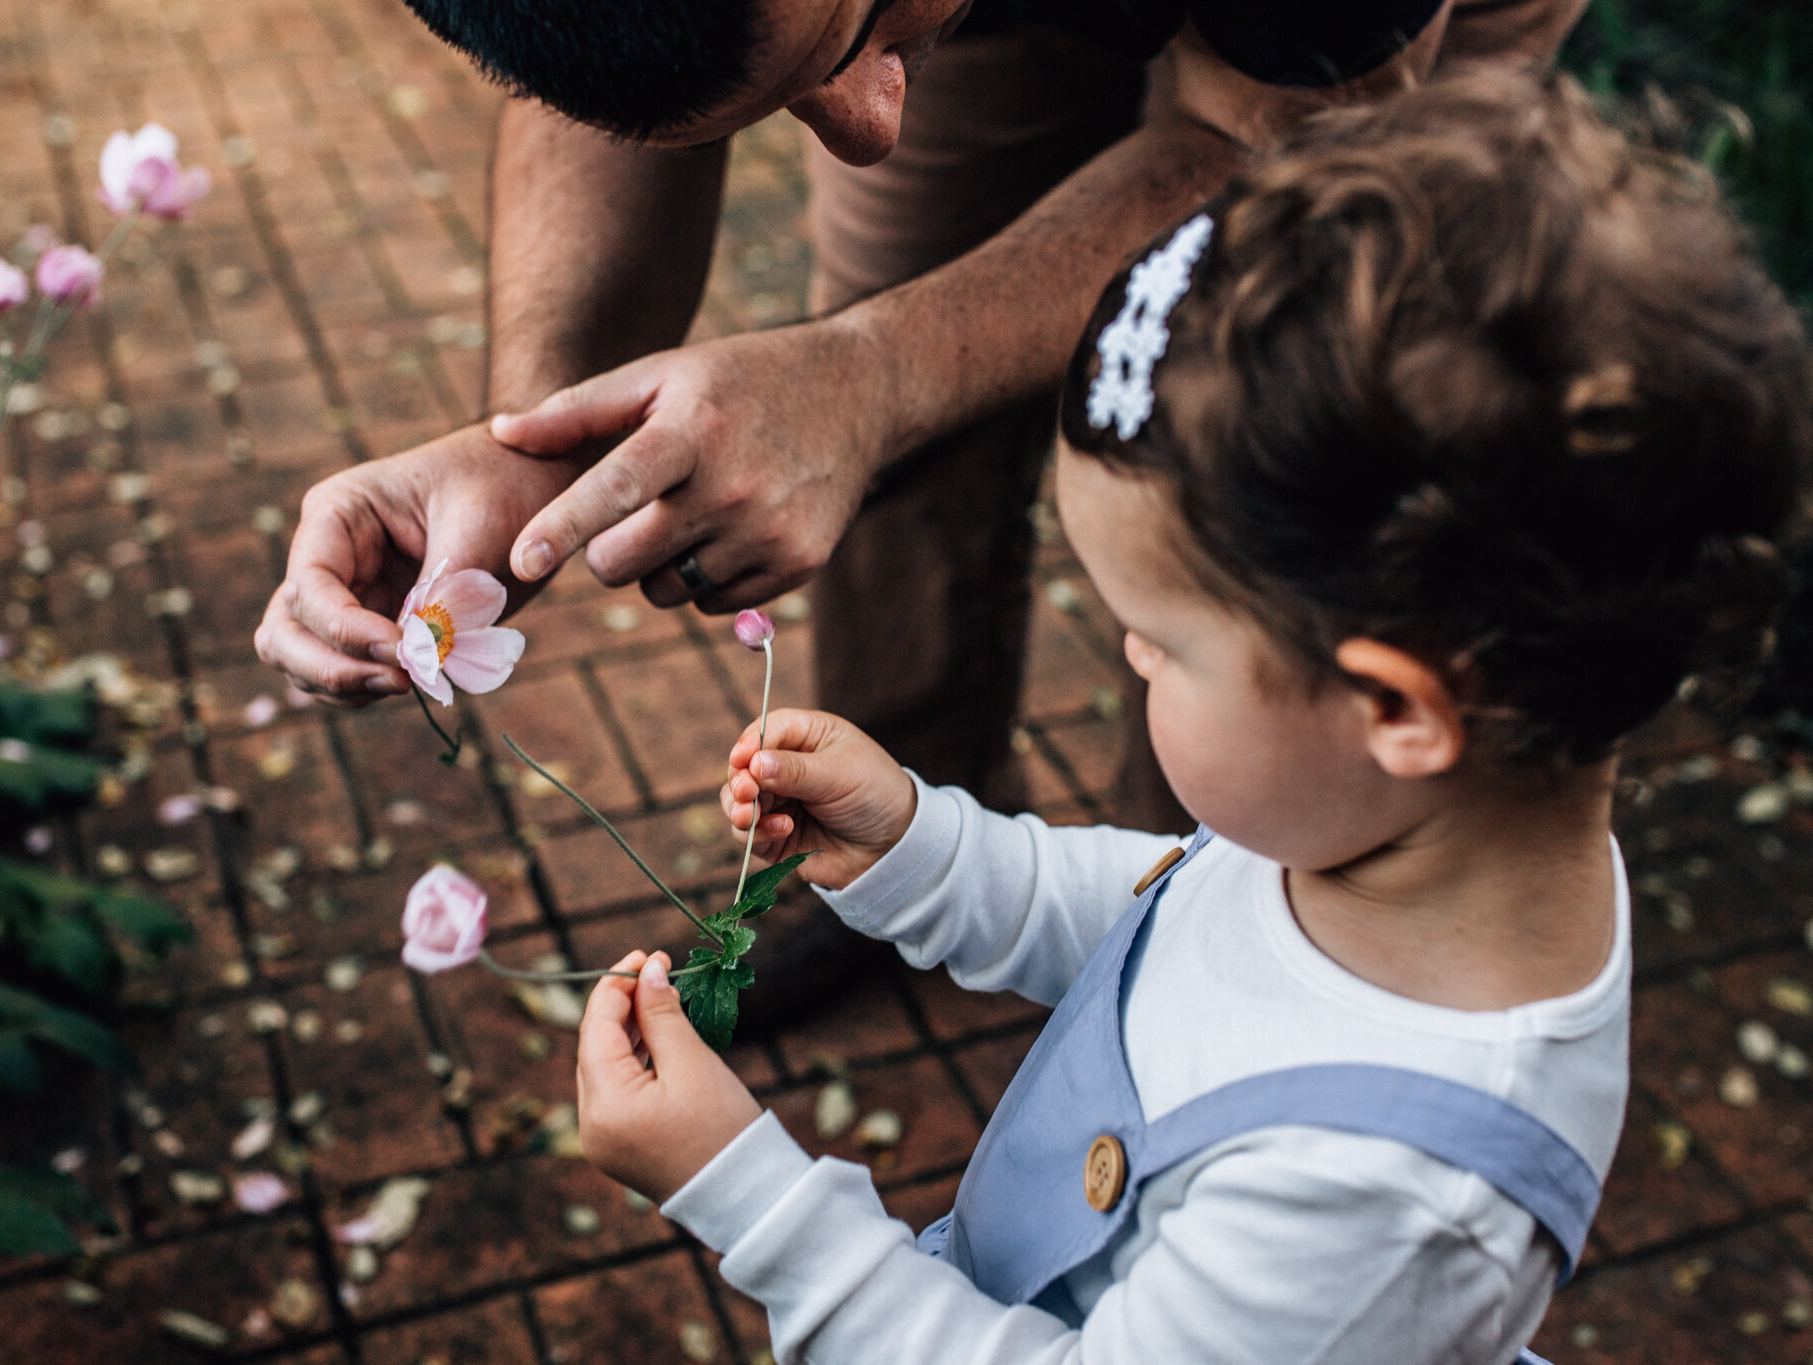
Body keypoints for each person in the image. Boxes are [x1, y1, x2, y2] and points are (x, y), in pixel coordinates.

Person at [567, 70, 1812, 1363]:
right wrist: (921, 849)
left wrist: (749, 1192)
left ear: (1392, 705)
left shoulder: (1384, 1205)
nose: (1125, 652)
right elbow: (1169, 930)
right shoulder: (1407, 833)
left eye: (1160, 643)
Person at [257, 0, 1589, 832]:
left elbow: (1268, 161)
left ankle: (1181, 919)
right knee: (857, 414)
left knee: (1234, 440)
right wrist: (530, 441)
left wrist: (877, 372)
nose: (868, 130)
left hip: (1320, 67)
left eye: (856, 41)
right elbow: (614, 77)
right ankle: (905, 856)